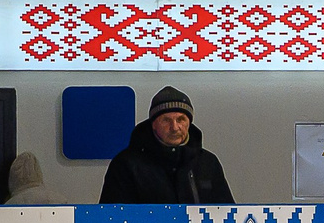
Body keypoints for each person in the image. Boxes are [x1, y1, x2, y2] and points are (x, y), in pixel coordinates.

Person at [100, 87, 234, 204]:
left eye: (181, 119)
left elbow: (228, 214)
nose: (174, 127)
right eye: (166, 120)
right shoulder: (126, 165)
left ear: (189, 122)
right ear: (153, 124)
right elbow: (112, 219)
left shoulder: (208, 163)